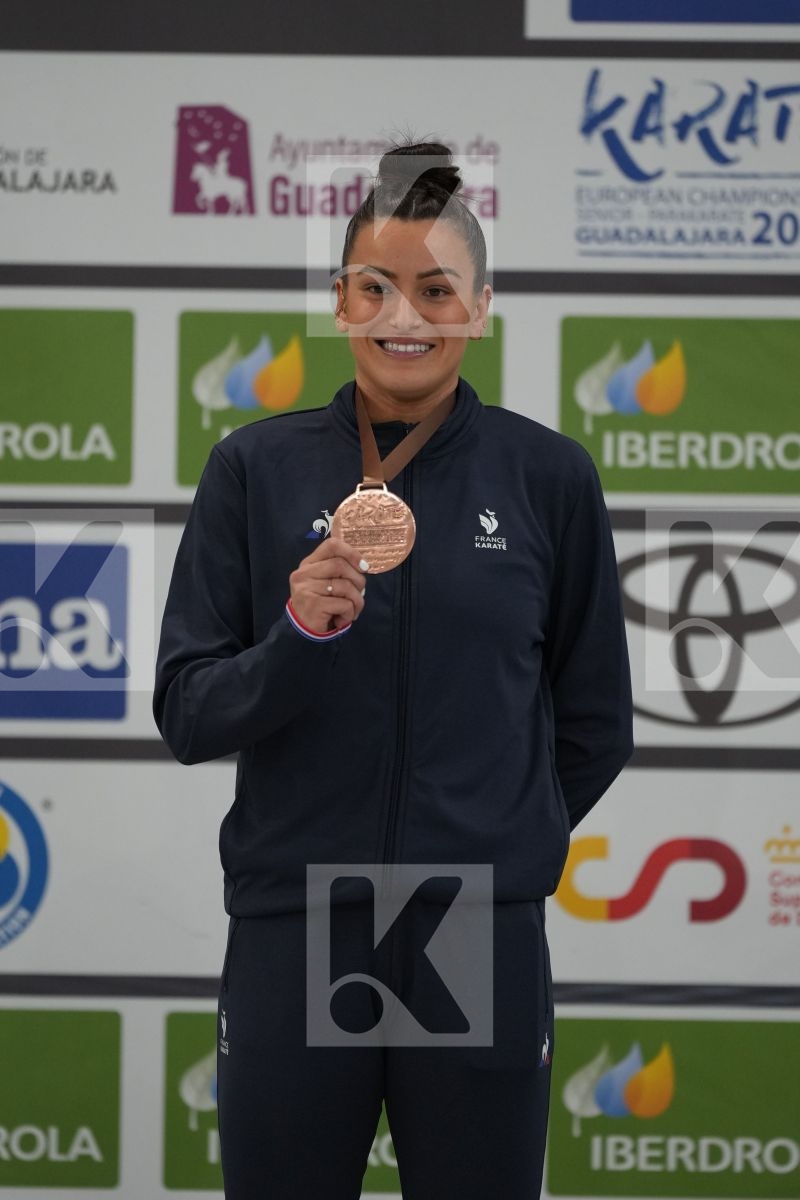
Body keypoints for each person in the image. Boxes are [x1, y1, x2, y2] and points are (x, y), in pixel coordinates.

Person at [153, 140, 633, 1200]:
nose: (404, 316)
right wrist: (298, 637)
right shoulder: (254, 468)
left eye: (433, 289)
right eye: (375, 287)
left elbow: (594, 720)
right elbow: (188, 710)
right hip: (299, 914)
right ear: (339, 302)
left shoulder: (546, 476)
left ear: (479, 306)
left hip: (470, 922)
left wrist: (498, 833)